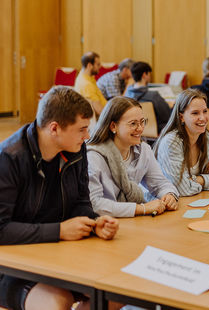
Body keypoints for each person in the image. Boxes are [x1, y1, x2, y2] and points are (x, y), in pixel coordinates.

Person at [0, 86, 119, 310]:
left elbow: (82, 202)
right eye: (82, 129)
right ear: (54, 128)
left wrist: (94, 224)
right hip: (12, 266)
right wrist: (60, 231)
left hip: (58, 254)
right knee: (57, 302)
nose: (88, 136)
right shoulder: (9, 158)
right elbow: (1, 229)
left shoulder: (76, 148)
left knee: (118, 292)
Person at [87, 96, 179, 217]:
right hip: (104, 224)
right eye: (133, 124)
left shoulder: (143, 150)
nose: (140, 128)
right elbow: (95, 204)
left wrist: (169, 195)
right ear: (113, 126)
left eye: (142, 122)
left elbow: (160, 184)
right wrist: (142, 208)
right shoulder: (94, 156)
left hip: (132, 222)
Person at [154, 89, 209, 196]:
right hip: (159, 203)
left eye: (205, 111)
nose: (202, 118)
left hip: (192, 200)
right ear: (181, 117)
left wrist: (194, 179)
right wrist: (207, 179)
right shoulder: (171, 142)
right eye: (195, 113)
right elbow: (182, 189)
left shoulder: (208, 138)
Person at [125, 61, 172, 133]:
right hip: (155, 131)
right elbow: (167, 116)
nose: (150, 77)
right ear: (144, 75)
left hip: (134, 130)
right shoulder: (153, 96)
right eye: (149, 74)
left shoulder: (127, 93)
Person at [74, 51, 107, 118]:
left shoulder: (86, 76)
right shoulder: (86, 85)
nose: (100, 66)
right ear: (89, 65)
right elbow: (100, 111)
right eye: (98, 64)